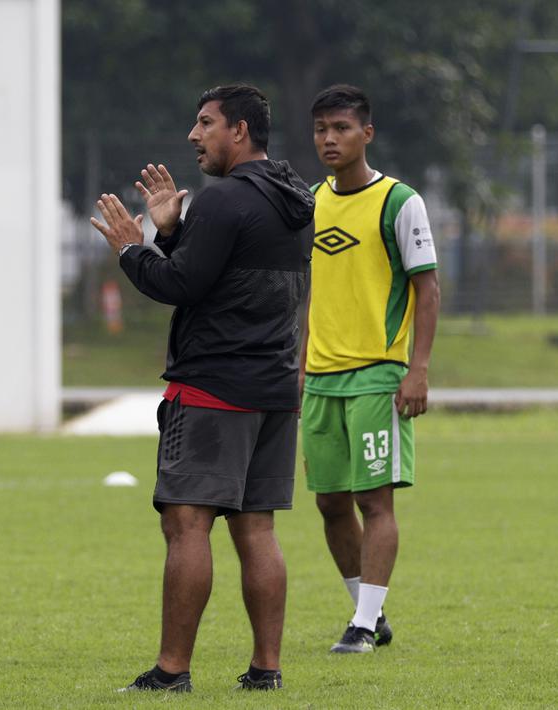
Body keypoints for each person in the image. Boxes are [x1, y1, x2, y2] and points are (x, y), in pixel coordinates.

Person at [91, 84, 314, 692]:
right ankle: (266, 670)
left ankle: (171, 672)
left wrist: (131, 251)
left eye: (205, 123)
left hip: (215, 386)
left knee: (187, 524)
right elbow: (215, 276)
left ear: (238, 131)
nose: (194, 135)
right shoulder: (294, 197)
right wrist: (168, 233)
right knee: (257, 528)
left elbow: (182, 286)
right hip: (274, 387)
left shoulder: (223, 201)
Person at [301, 84, 440, 654]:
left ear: (367, 134)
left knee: (373, 500)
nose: (329, 139)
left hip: (378, 374)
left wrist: (419, 369)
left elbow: (427, 290)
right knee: (329, 502)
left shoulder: (399, 201)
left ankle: (362, 624)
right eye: (320, 130)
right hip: (318, 376)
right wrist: (296, 361)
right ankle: (370, 615)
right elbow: (307, 290)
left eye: (341, 128)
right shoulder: (310, 201)